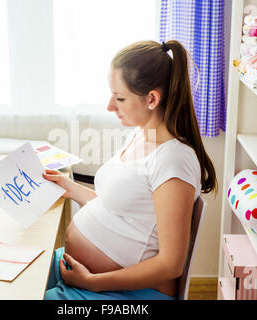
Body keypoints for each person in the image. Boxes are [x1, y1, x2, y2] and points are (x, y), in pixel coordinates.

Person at [43, 40, 217, 300]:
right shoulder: (140, 134)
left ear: (152, 99)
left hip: (129, 295)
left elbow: (171, 264)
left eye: (120, 97)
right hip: (90, 279)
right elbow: (121, 210)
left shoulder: (173, 160)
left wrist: (93, 283)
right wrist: (71, 188)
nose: (110, 106)